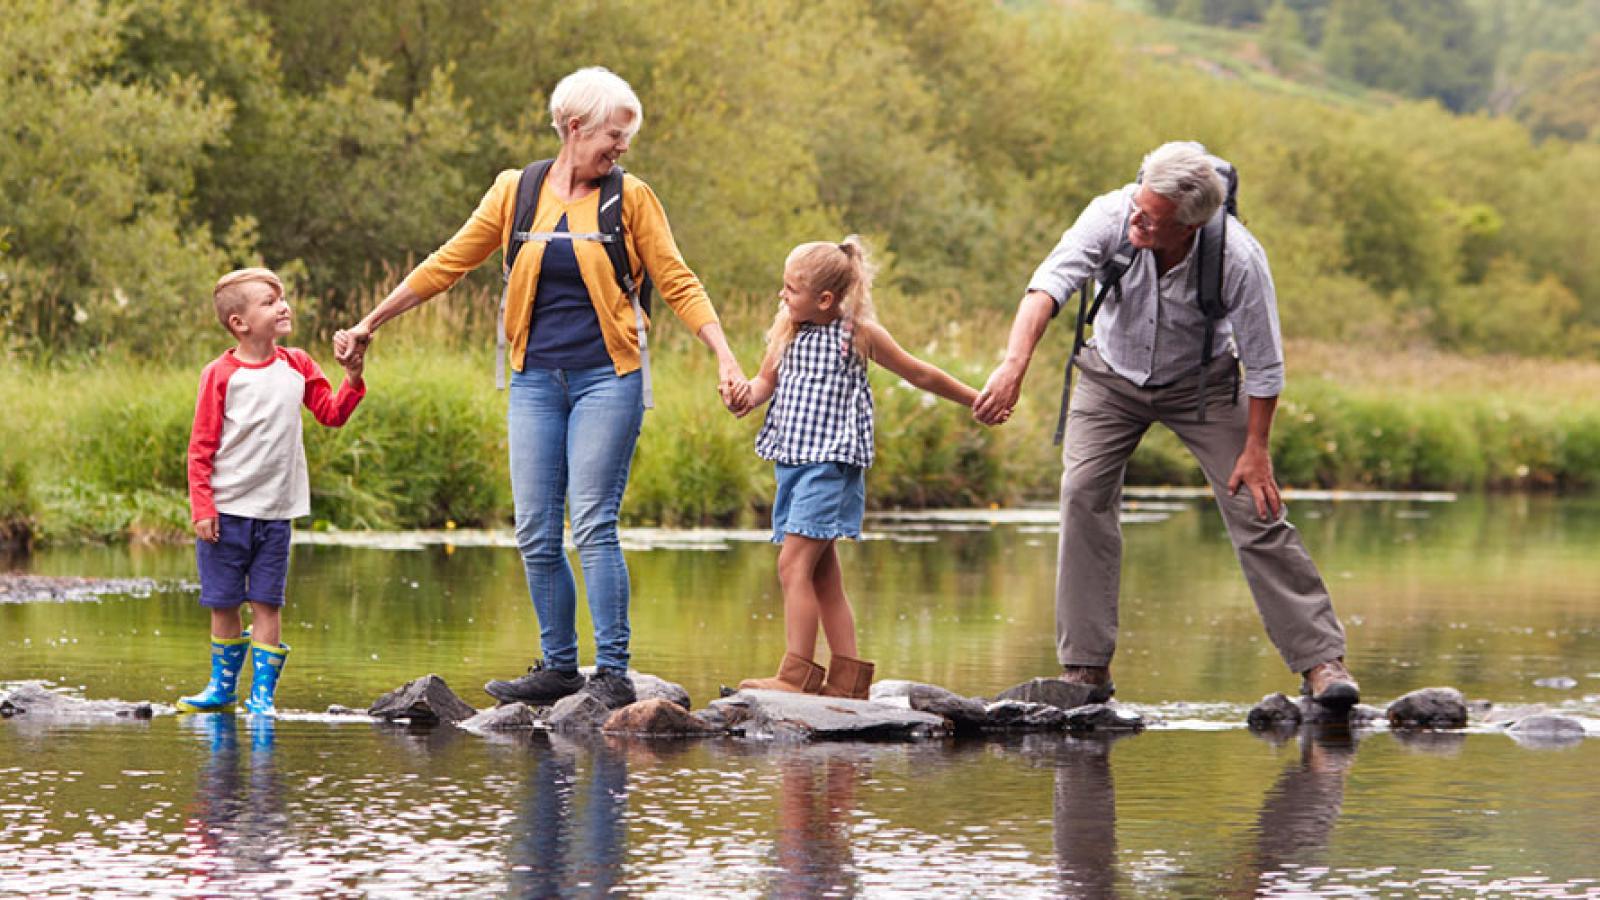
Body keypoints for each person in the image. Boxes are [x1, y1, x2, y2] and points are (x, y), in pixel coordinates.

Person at [333, 67, 745, 710]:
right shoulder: (515, 190)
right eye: (615, 134)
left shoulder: (631, 198)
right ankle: (558, 666)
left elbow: (677, 280)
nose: (623, 148)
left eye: (626, 137)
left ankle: (611, 671)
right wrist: (369, 322)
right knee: (533, 528)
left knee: (594, 522)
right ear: (574, 127)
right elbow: (448, 262)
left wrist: (722, 354)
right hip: (534, 381)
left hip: (608, 379)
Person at [972, 141, 1360, 709]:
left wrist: (1256, 448)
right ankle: (1085, 670)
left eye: (1151, 218)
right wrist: (1013, 366)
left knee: (1256, 506)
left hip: (1202, 385)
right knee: (1082, 496)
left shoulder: (1238, 258)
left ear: (1190, 225)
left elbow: (1266, 363)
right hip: (1109, 377)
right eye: (1139, 205)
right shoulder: (1111, 213)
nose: (1137, 218)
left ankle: (1322, 663)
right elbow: (1046, 288)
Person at [729, 237, 980, 698]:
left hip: (831, 466)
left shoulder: (857, 335)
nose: (781, 297)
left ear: (824, 299)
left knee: (791, 566)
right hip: (793, 464)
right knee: (823, 576)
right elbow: (765, 380)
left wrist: (973, 398)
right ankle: (848, 680)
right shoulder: (789, 329)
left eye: (790, 289)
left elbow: (918, 372)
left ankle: (797, 674)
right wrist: (745, 395)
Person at [179, 267, 366, 716]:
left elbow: (332, 414)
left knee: (267, 601)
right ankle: (222, 689)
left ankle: (261, 697)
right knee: (224, 602)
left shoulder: (297, 364)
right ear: (238, 323)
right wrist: (203, 507)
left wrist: (353, 377)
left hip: (276, 514)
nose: (283, 306)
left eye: (282, 298)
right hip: (225, 512)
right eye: (269, 301)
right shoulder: (220, 374)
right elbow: (201, 447)